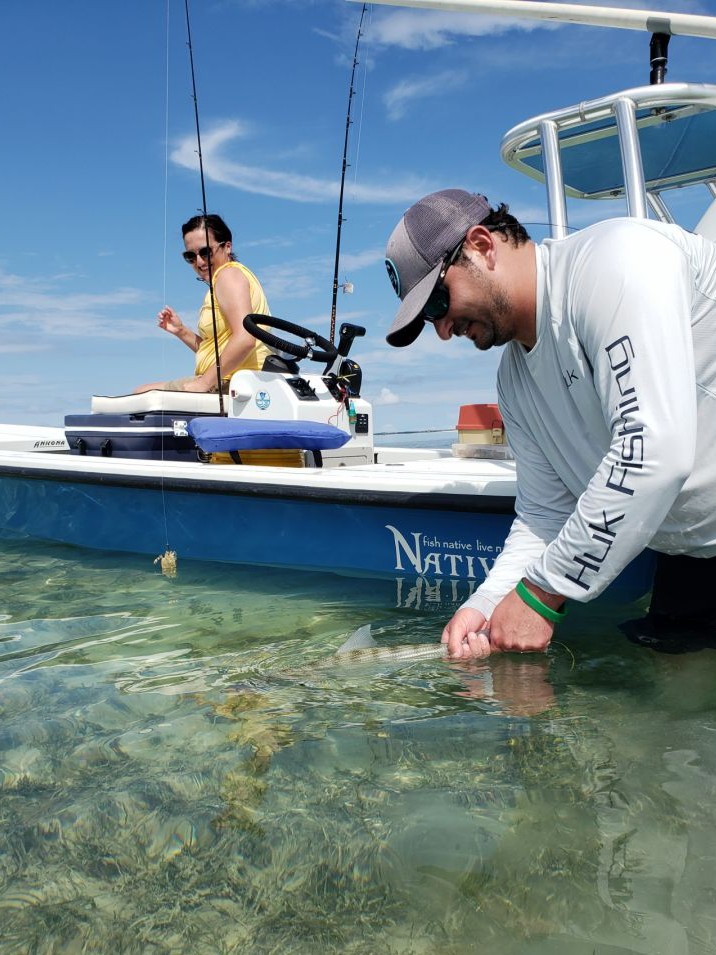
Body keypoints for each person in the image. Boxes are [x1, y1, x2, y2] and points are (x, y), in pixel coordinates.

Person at [383, 189, 716, 657]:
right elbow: (544, 514)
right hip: (689, 554)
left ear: (481, 245)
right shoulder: (514, 380)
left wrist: (541, 594)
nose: (441, 330)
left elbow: (653, 451)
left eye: (437, 303)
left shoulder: (619, 263)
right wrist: (486, 602)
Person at [135, 213, 273, 393]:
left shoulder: (227, 276)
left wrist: (204, 383)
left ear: (227, 247)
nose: (199, 262)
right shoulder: (227, 278)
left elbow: (246, 339)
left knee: (143, 392)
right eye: (190, 256)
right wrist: (181, 331)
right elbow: (216, 350)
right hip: (226, 377)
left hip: (233, 382)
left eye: (205, 252)